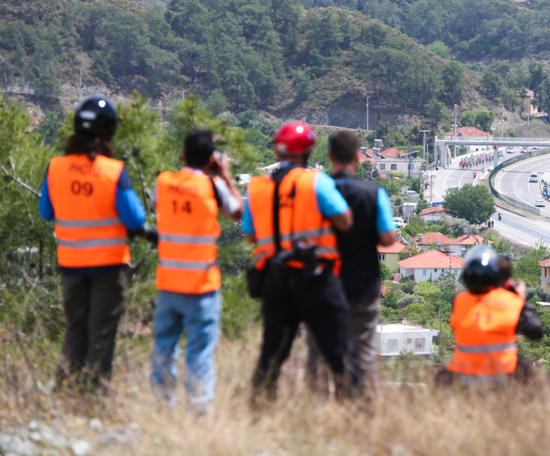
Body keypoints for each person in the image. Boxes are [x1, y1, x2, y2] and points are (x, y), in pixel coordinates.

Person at [38, 96, 147, 391]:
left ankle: (66, 390)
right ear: (107, 131)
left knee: (76, 329)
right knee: (101, 333)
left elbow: (45, 212)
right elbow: (136, 220)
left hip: (71, 265)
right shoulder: (112, 171)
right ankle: (94, 396)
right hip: (108, 267)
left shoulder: (56, 167)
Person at [243, 121, 353, 403]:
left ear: (277, 151)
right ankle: (349, 405)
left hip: (274, 279)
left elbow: (251, 234)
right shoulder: (317, 182)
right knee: (336, 347)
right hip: (314, 276)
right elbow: (344, 220)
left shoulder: (256, 188)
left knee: (272, 350)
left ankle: (260, 405)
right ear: (307, 152)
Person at [150, 129, 243, 411]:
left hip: (168, 284)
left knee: (164, 348)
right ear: (211, 159)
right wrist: (224, 174)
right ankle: (199, 408)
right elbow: (238, 211)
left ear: (182, 155)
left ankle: (161, 406)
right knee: (199, 352)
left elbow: (157, 206)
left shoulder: (164, 182)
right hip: (201, 287)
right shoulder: (213, 187)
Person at [305, 130, 396, 398]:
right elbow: (389, 238)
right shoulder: (373, 192)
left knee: (320, 350)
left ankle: (318, 407)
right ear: (358, 156)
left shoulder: (318, 191)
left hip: (324, 283)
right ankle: (363, 407)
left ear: (330, 156)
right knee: (364, 351)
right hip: (362, 284)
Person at [439, 245, 542, 387]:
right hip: (502, 375)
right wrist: (521, 300)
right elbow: (536, 332)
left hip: (463, 375)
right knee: (525, 368)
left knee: (440, 376)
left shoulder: (460, 300)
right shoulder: (510, 301)